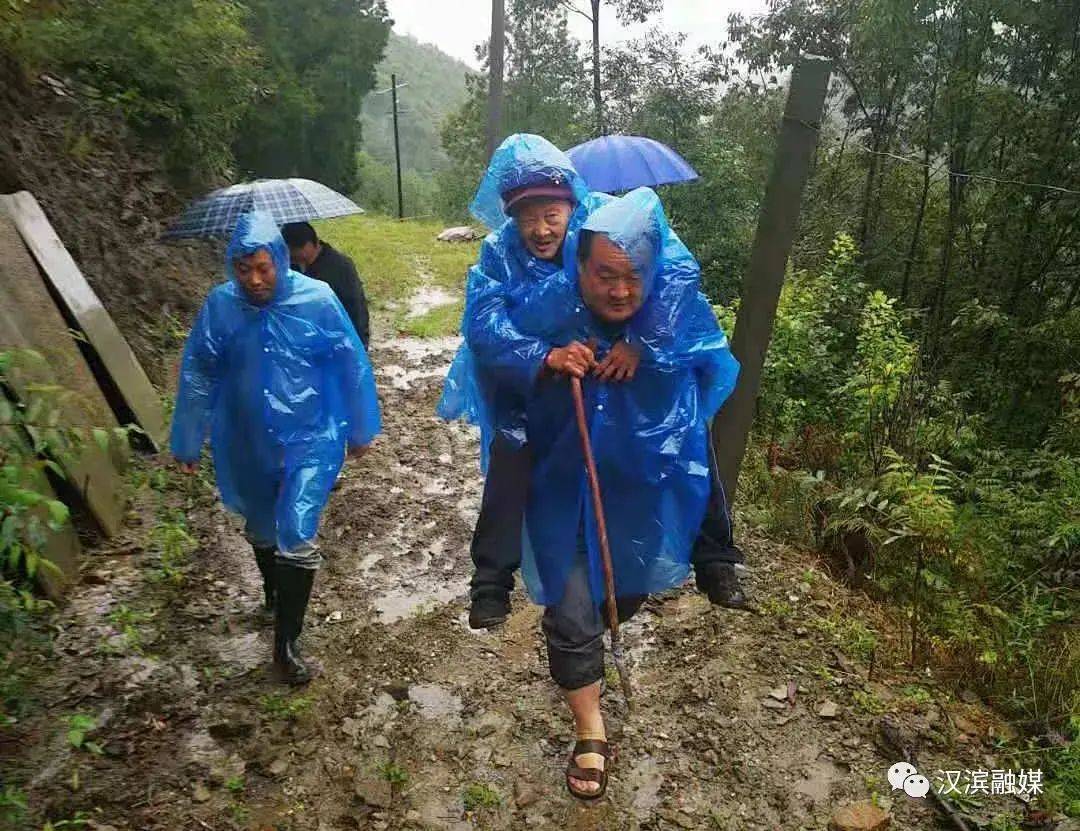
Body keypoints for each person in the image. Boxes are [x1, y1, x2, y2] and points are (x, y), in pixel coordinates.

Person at [438, 135, 746, 631]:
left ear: (570, 203)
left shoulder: (604, 221)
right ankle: (491, 582)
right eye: (527, 216)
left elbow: (678, 270)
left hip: (628, 359)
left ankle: (716, 559)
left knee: (683, 424)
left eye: (550, 214)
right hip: (546, 375)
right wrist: (544, 356)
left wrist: (640, 341)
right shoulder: (499, 254)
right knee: (513, 450)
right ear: (510, 215)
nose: (540, 229)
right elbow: (483, 325)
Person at [509, 188, 739, 799]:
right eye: (605, 276)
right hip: (565, 494)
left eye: (633, 277)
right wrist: (549, 360)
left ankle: (609, 630)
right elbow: (494, 352)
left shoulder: (672, 314)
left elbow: (711, 372)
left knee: (621, 596)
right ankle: (590, 728)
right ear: (577, 267)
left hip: (638, 499)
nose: (619, 291)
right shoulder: (547, 307)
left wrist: (651, 347)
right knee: (572, 609)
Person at [171, 211, 381, 684]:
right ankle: (273, 591)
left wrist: (361, 427)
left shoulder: (318, 299)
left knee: (298, 527)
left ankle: (286, 643)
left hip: (312, 434)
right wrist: (188, 438)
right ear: (232, 267)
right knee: (263, 526)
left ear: (282, 260)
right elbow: (199, 371)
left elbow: (351, 362)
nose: (255, 279)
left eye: (263, 267)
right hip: (248, 437)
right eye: (244, 269)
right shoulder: (222, 306)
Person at [281, 221, 371, 348]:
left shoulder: (340, 267)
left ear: (309, 244)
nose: (291, 255)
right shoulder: (289, 266)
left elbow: (356, 308)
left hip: (335, 338)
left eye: (295, 250)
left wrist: (358, 344)